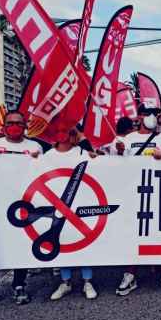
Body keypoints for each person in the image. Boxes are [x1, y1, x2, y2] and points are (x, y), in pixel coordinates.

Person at [0, 111, 43, 312]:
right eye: (10, 123)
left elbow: (46, 172)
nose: (14, 126)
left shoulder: (34, 147)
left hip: (25, 207)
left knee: (21, 247)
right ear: (3, 126)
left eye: (19, 123)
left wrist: (39, 161)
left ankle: (19, 285)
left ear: (25, 126)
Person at [116, 104, 161, 295]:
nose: (153, 117)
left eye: (156, 114)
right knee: (133, 235)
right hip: (134, 194)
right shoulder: (128, 139)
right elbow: (117, 168)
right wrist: (120, 153)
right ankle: (129, 274)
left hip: (159, 193)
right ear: (139, 117)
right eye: (149, 114)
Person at [46, 125, 98, 300]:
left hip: (81, 202)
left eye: (67, 131)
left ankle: (87, 281)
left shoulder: (83, 153)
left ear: (73, 134)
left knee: (83, 241)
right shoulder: (48, 155)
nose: (63, 134)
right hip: (55, 205)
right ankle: (65, 281)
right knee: (63, 243)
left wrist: (97, 159)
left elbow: (99, 169)